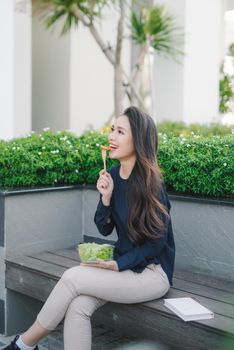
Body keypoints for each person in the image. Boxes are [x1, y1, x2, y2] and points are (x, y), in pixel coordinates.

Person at [4, 106, 175, 350]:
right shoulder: (113, 176)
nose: (111, 137)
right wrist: (106, 198)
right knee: (78, 307)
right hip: (124, 266)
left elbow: (157, 243)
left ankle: (24, 344)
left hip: (151, 273)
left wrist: (118, 265)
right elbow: (104, 229)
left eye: (120, 132)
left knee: (72, 277)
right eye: (112, 130)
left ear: (138, 140)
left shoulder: (151, 184)